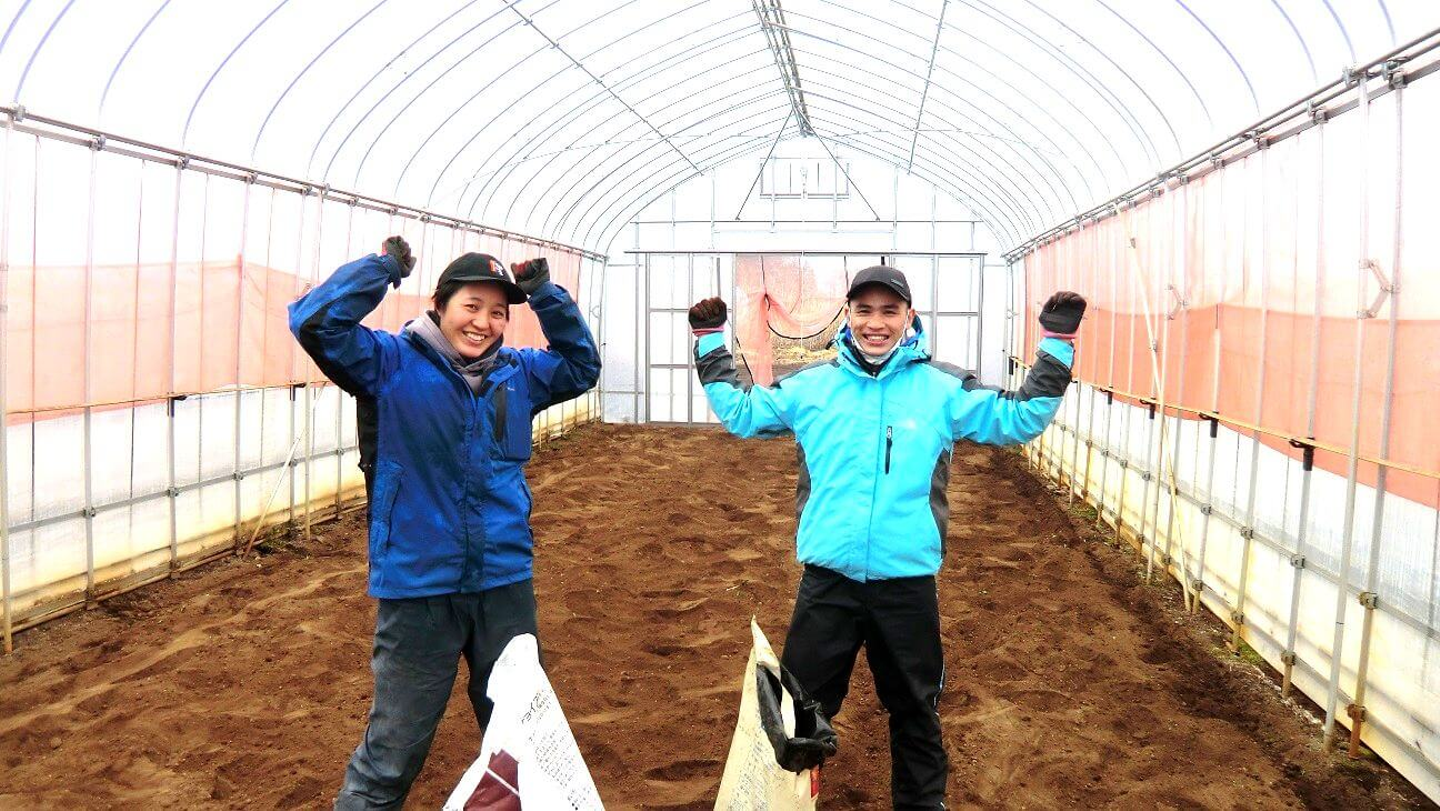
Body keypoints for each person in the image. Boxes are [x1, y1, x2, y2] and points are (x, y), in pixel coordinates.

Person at [687, 265, 1084, 810]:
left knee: (915, 711)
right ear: (848, 315)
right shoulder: (812, 387)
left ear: (909, 317)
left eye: (889, 311)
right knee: (797, 714)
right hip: (828, 583)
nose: (876, 323)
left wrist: (1057, 342)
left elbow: (1019, 418)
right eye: (865, 310)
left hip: (906, 587)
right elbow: (741, 413)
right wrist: (710, 341)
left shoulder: (941, 390)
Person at [288, 236, 601, 810]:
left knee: (523, 742)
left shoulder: (518, 374)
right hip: (419, 590)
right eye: (471, 306)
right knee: (392, 755)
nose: (484, 323)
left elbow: (582, 366)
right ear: (439, 304)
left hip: (504, 584)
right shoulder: (388, 364)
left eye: (498, 312)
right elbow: (315, 323)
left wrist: (545, 296)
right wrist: (382, 269)